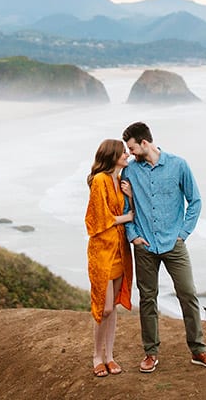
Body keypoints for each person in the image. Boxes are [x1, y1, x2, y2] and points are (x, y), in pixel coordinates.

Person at [119, 121, 206, 373]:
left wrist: (183, 234)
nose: (130, 153)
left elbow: (195, 201)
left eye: (132, 148)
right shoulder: (130, 172)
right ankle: (150, 353)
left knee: (188, 294)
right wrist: (133, 236)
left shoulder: (179, 165)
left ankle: (198, 350)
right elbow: (124, 208)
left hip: (173, 244)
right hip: (144, 245)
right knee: (147, 299)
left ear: (144, 143)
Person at [85, 139, 135, 378]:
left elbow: (128, 211)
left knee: (113, 307)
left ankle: (110, 356)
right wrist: (127, 217)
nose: (127, 154)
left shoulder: (120, 179)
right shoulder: (100, 180)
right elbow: (98, 219)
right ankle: (97, 356)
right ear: (112, 155)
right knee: (104, 308)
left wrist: (131, 196)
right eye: (123, 152)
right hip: (102, 251)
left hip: (120, 250)